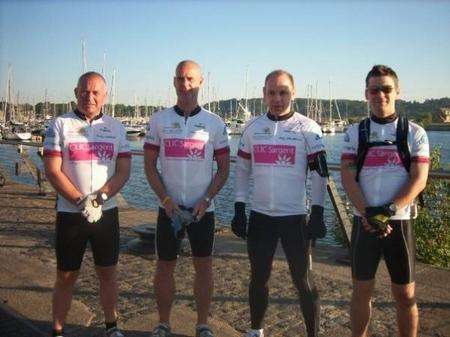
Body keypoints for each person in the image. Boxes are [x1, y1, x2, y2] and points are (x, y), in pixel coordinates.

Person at [232, 70, 328, 337]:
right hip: (261, 217)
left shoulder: (308, 128)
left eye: (283, 92)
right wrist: (239, 208)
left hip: (295, 218)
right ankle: (255, 330)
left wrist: (318, 213)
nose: (277, 98)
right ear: (264, 94)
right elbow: (242, 170)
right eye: (272, 92)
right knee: (258, 279)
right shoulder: (252, 128)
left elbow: (320, 174)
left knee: (303, 282)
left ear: (293, 93)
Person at [340, 65, 430, 337]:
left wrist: (387, 212)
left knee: (404, 295)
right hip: (365, 222)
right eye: (374, 89)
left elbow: (419, 179)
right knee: (361, 293)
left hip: (399, 223)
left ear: (397, 92)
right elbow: (347, 178)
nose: (380, 94)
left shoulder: (415, 133)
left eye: (386, 88)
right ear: (366, 94)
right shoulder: (354, 133)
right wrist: (369, 214)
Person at [143, 60, 230, 337]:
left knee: (203, 267)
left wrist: (207, 199)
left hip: (202, 209)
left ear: (201, 82)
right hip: (168, 209)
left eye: (190, 79)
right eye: (180, 79)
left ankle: (202, 324)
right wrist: (165, 199)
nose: (185, 85)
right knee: (164, 266)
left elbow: (225, 169)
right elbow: (148, 165)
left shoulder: (215, 123)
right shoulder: (159, 120)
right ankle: (163, 323)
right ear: (174, 82)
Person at [44, 72, 131, 337]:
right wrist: (80, 200)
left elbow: (123, 170)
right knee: (66, 276)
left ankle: (111, 326)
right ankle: (57, 330)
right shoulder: (60, 124)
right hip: (71, 213)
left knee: (108, 273)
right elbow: (52, 170)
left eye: (95, 92)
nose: (89, 97)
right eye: (84, 91)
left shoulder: (116, 128)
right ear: (75, 92)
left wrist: (101, 198)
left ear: (104, 96)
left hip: (106, 213)